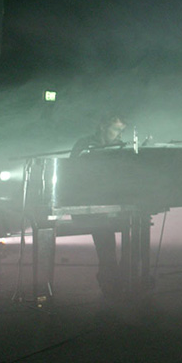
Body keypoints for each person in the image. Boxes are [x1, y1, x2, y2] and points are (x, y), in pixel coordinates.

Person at [70, 112, 128, 296]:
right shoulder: (84, 145)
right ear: (103, 127)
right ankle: (109, 276)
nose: (120, 133)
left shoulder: (120, 147)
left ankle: (124, 273)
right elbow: (73, 176)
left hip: (112, 202)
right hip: (85, 204)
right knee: (104, 231)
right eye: (116, 129)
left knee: (136, 222)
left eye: (122, 130)